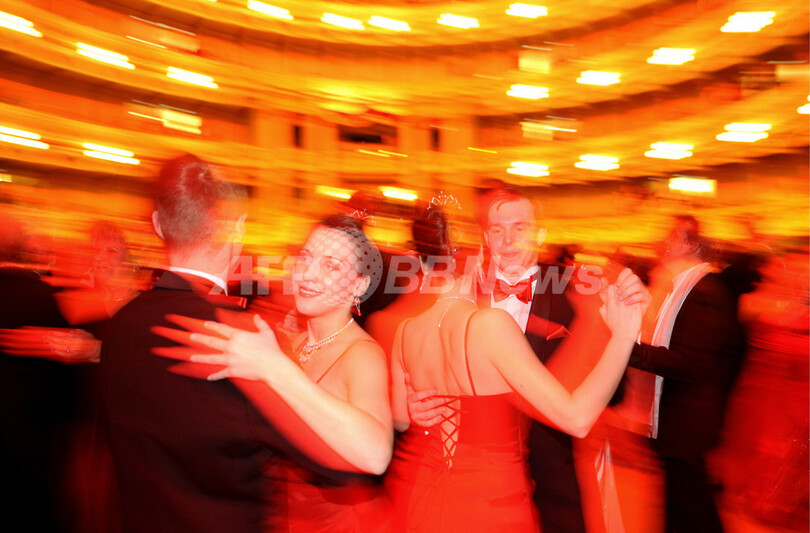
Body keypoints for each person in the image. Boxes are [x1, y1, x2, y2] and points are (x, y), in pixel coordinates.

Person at [386, 204, 647, 532]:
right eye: (495, 231)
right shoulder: (491, 324)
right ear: (480, 249)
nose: (506, 241)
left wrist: (414, 411)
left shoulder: (405, 331)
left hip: (428, 494)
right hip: (493, 503)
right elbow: (577, 418)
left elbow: (398, 419)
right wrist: (622, 335)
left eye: (518, 228)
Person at [155, 214, 393, 532]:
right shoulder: (287, 342)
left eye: (331, 266)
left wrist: (274, 368)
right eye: (306, 257)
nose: (308, 273)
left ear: (359, 285)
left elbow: (376, 455)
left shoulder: (362, 354)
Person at [96, 154, 294, 533]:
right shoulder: (240, 335)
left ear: (158, 225)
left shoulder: (119, 324)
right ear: (236, 229)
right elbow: (320, 457)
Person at [623, 215, 746, 533]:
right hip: (680, 422)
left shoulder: (704, 292)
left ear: (690, 245)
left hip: (690, 423)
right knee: (683, 508)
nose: (661, 244)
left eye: (671, 238)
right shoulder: (683, 287)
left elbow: (688, 363)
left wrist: (627, 349)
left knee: (693, 509)